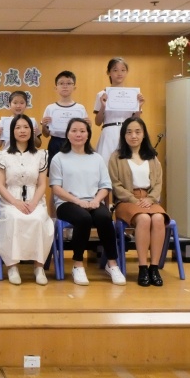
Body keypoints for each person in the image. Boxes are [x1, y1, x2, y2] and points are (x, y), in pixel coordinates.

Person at [49, 118, 126, 286]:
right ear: (67, 134)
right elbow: (56, 188)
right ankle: (77, 264)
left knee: (105, 217)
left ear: (88, 134)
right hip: (66, 203)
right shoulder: (59, 158)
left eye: (82, 131)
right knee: (83, 218)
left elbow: (105, 186)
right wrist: (77, 201)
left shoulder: (96, 158)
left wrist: (97, 200)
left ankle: (112, 264)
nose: (78, 134)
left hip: (93, 202)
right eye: (74, 131)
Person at [0, 114, 54, 285]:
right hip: (10, 199)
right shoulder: (2, 155)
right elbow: (0, 185)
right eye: (18, 127)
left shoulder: (41, 155)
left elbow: (42, 184)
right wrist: (16, 202)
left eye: (26, 127)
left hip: (35, 199)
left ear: (32, 131)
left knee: (39, 219)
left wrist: (33, 203)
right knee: (14, 218)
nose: (22, 131)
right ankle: (12, 266)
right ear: (12, 131)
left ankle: (39, 267)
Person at [108, 117, 168, 287]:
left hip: (149, 199)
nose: (133, 136)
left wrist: (150, 199)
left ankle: (154, 268)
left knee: (158, 218)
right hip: (126, 201)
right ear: (123, 135)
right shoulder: (116, 157)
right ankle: (142, 267)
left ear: (144, 134)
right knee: (143, 218)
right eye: (129, 132)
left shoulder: (152, 157)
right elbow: (115, 185)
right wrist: (134, 200)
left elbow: (158, 183)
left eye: (137, 132)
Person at [41, 71, 89, 216]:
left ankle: (75, 216)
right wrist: (44, 125)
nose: (65, 86)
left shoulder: (80, 108)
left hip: (76, 145)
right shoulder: (50, 108)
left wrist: (88, 125)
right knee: (55, 185)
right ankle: (54, 220)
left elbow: (85, 131)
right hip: (56, 143)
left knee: (74, 181)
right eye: (61, 83)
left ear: (74, 87)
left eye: (69, 83)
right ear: (56, 87)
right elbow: (46, 134)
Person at [94, 57, 145, 164]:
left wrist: (139, 106)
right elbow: (98, 122)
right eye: (115, 70)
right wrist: (103, 105)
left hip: (128, 133)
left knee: (127, 165)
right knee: (106, 163)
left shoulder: (133, 94)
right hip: (108, 133)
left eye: (123, 70)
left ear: (127, 72)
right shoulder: (101, 94)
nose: (119, 73)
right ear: (109, 72)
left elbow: (136, 121)